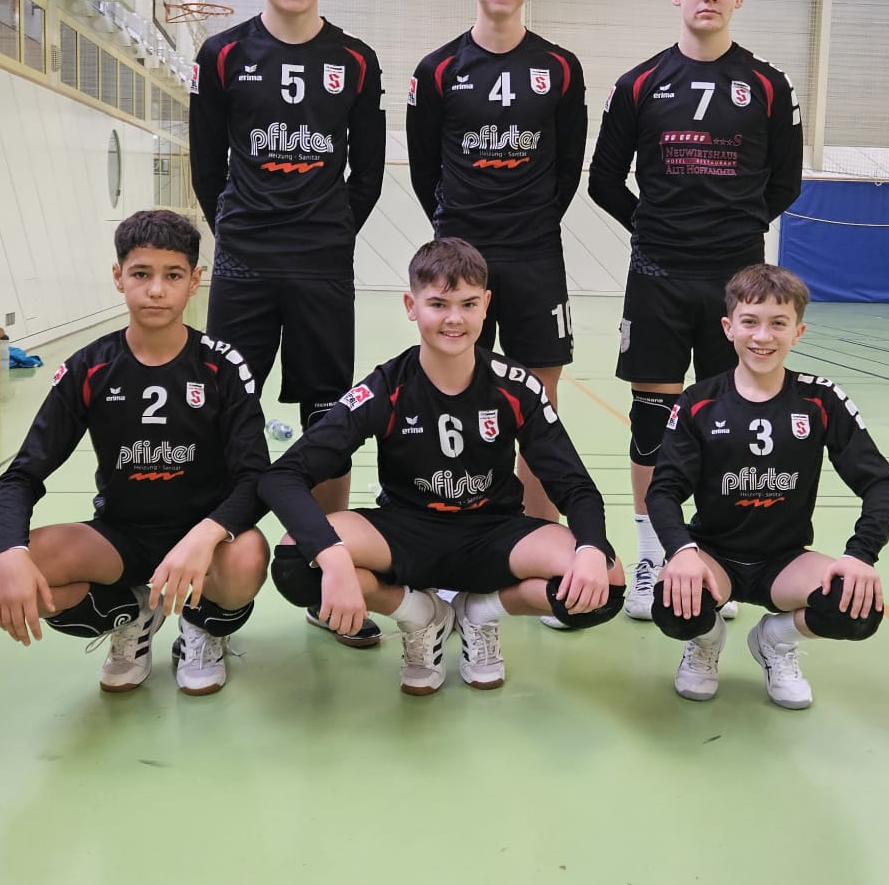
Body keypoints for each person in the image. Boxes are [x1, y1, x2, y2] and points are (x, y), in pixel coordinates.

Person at [258, 238, 623, 696]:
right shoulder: (386, 386)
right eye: (438, 304)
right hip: (406, 531)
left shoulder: (516, 387)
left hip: (494, 533)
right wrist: (332, 557)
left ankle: (482, 612)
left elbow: (575, 486)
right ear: (411, 307)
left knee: (606, 581)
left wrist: (589, 549)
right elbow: (284, 475)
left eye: (468, 304)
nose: (454, 318)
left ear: (486, 305)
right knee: (298, 563)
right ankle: (420, 615)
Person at [190, 0, 386, 647]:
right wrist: (242, 234)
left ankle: (319, 583)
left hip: (321, 268)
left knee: (327, 423)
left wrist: (326, 237)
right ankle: (211, 606)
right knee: (222, 419)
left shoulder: (356, 60)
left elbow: (366, 176)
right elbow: (207, 167)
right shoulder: (222, 55)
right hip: (244, 264)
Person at [588, 0, 802, 623]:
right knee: (652, 422)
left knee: (725, 420)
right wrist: (656, 230)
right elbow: (602, 181)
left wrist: (732, 235)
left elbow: (786, 184)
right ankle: (654, 559)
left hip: (736, 284)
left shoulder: (768, 86)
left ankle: (711, 562)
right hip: (657, 274)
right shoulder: (640, 83)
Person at [0, 210, 271, 695]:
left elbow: (254, 476)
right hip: (120, 537)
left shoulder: (222, 366)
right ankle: (133, 616)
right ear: (119, 277)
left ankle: (201, 626)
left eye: (172, 275)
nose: (156, 290)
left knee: (248, 556)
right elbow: (22, 476)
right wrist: (9, 551)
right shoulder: (89, 367)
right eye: (141, 274)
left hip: (204, 537)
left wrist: (205, 535)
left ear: (194, 281)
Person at [647, 264, 889, 711]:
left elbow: (881, 482)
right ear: (728, 328)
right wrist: (681, 552)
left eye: (778, 324)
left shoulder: (821, 400)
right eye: (750, 321)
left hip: (785, 561)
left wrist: (861, 555)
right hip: (714, 555)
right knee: (673, 604)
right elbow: (663, 489)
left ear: (798, 332)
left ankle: (775, 640)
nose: (763, 336)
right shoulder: (699, 401)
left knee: (857, 609)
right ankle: (706, 640)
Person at [408, 0, 587, 523]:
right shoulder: (437, 69)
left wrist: (531, 222)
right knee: (458, 393)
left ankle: (539, 538)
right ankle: (463, 531)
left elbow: (568, 167)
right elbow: (424, 168)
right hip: (462, 257)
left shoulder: (560, 68)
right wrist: (458, 232)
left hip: (536, 255)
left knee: (540, 402)